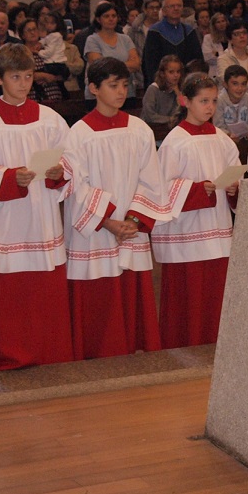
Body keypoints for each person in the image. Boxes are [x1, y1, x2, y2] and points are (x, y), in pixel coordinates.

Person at [0, 43, 73, 370]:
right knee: (13, 299)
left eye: (27, 76)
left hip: (42, 221)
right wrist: (12, 179)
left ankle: (50, 352)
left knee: (44, 296)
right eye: (15, 77)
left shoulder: (51, 119)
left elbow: (72, 160)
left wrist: (59, 172)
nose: (24, 83)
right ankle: (10, 358)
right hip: (7, 223)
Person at [61, 57, 169, 358]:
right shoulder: (79, 134)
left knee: (130, 293)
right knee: (99, 302)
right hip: (97, 231)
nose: (121, 91)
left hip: (130, 229)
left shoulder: (139, 129)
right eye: (113, 85)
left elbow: (151, 180)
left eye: (125, 85)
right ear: (93, 88)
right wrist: (109, 221)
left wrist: (132, 221)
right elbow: (76, 187)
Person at [154, 73, 241, 348]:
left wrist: (234, 188)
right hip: (188, 228)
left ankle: (215, 343)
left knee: (215, 291)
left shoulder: (222, 140)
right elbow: (161, 188)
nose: (210, 107)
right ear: (185, 101)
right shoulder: (175, 141)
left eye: (214, 101)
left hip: (216, 226)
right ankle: (184, 343)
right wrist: (195, 189)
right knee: (189, 293)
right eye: (203, 101)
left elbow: (235, 173)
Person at [83, 1, 140, 103]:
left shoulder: (125, 39)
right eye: (106, 16)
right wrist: (125, 66)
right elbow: (100, 67)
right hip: (99, 95)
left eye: (114, 16)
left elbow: (136, 64)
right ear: (98, 19)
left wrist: (111, 65)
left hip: (126, 93)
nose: (111, 19)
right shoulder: (92, 40)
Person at [141, 0, 203, 85]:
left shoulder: (189, 31)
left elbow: (197, 61)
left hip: (185, 84)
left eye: (179, 6)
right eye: (172, 6)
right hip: (162, 86)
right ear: (164, 11)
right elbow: (150, 65)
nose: (176, 8)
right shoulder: (155, 32)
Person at [214, 64, 248, 143]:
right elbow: (218, 126)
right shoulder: (219, 101)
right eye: (235, 84)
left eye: (243, 84)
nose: (240, 88)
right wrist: (228, 134)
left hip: (245, 141)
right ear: (225, 84)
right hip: (225, 141)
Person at [141, 54, 183, 128]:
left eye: (178, 72)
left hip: (170, 130)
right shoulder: (153, 89)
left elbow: (184, 112)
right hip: (152, 129)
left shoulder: (179, 90)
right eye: (171, 72)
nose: (176, 75)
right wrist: (170, 119)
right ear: (162, 74)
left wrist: (178, 93)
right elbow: (149, 116)